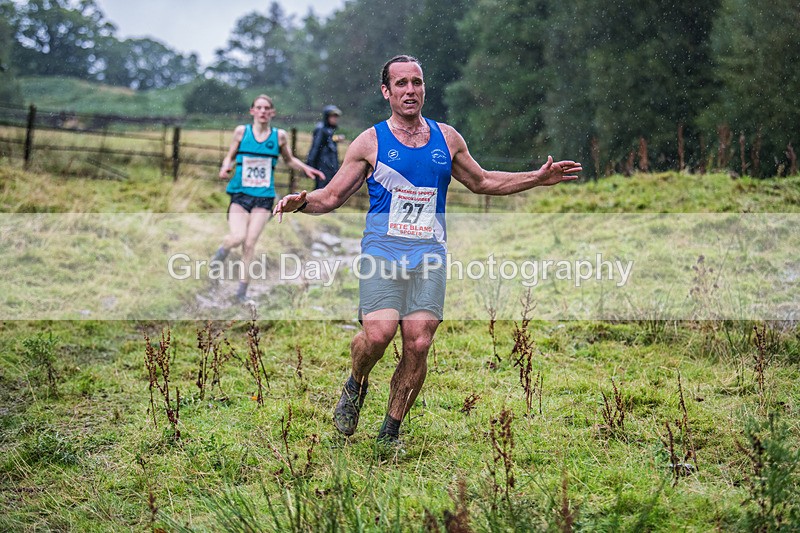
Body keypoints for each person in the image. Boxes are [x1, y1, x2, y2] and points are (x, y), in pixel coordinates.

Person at [273, 55, 582, 446]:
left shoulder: (447, 138)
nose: (410, 90)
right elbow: (332, 196)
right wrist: (301, 202)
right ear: (386, 92)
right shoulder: (370, 142)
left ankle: (390, 431)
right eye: (400, 84)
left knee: (418, 342)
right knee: (379, 335)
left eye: (416, 82)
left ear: (424, 88)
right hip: (382, 252)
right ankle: (356, 381)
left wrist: (535, 179)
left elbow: (483, 180)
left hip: (429, 256)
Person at [213, 94, 325, 303]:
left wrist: (307, 169)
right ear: (252, 111)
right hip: (240, 195)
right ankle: (220, 254)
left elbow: (289, 160)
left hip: (264, 198)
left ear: (272, 112)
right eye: (259, 108)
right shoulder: (241, 132)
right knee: (237, 237)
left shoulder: (279, 136)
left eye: (267, 108)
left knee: (250, 243)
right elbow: (230, 155)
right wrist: (225, 165)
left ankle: (241, 293)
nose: (263, 111)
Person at [306, 105, 345, 189]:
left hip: (330, 168)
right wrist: (310, 165)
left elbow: (329, 141)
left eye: (336, 116)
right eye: (332, 116)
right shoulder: (321, 129)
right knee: (321, 192)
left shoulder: (329, 130)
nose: (335, 119)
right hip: (323, 168)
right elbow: (315, 148)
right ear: (327, 116)